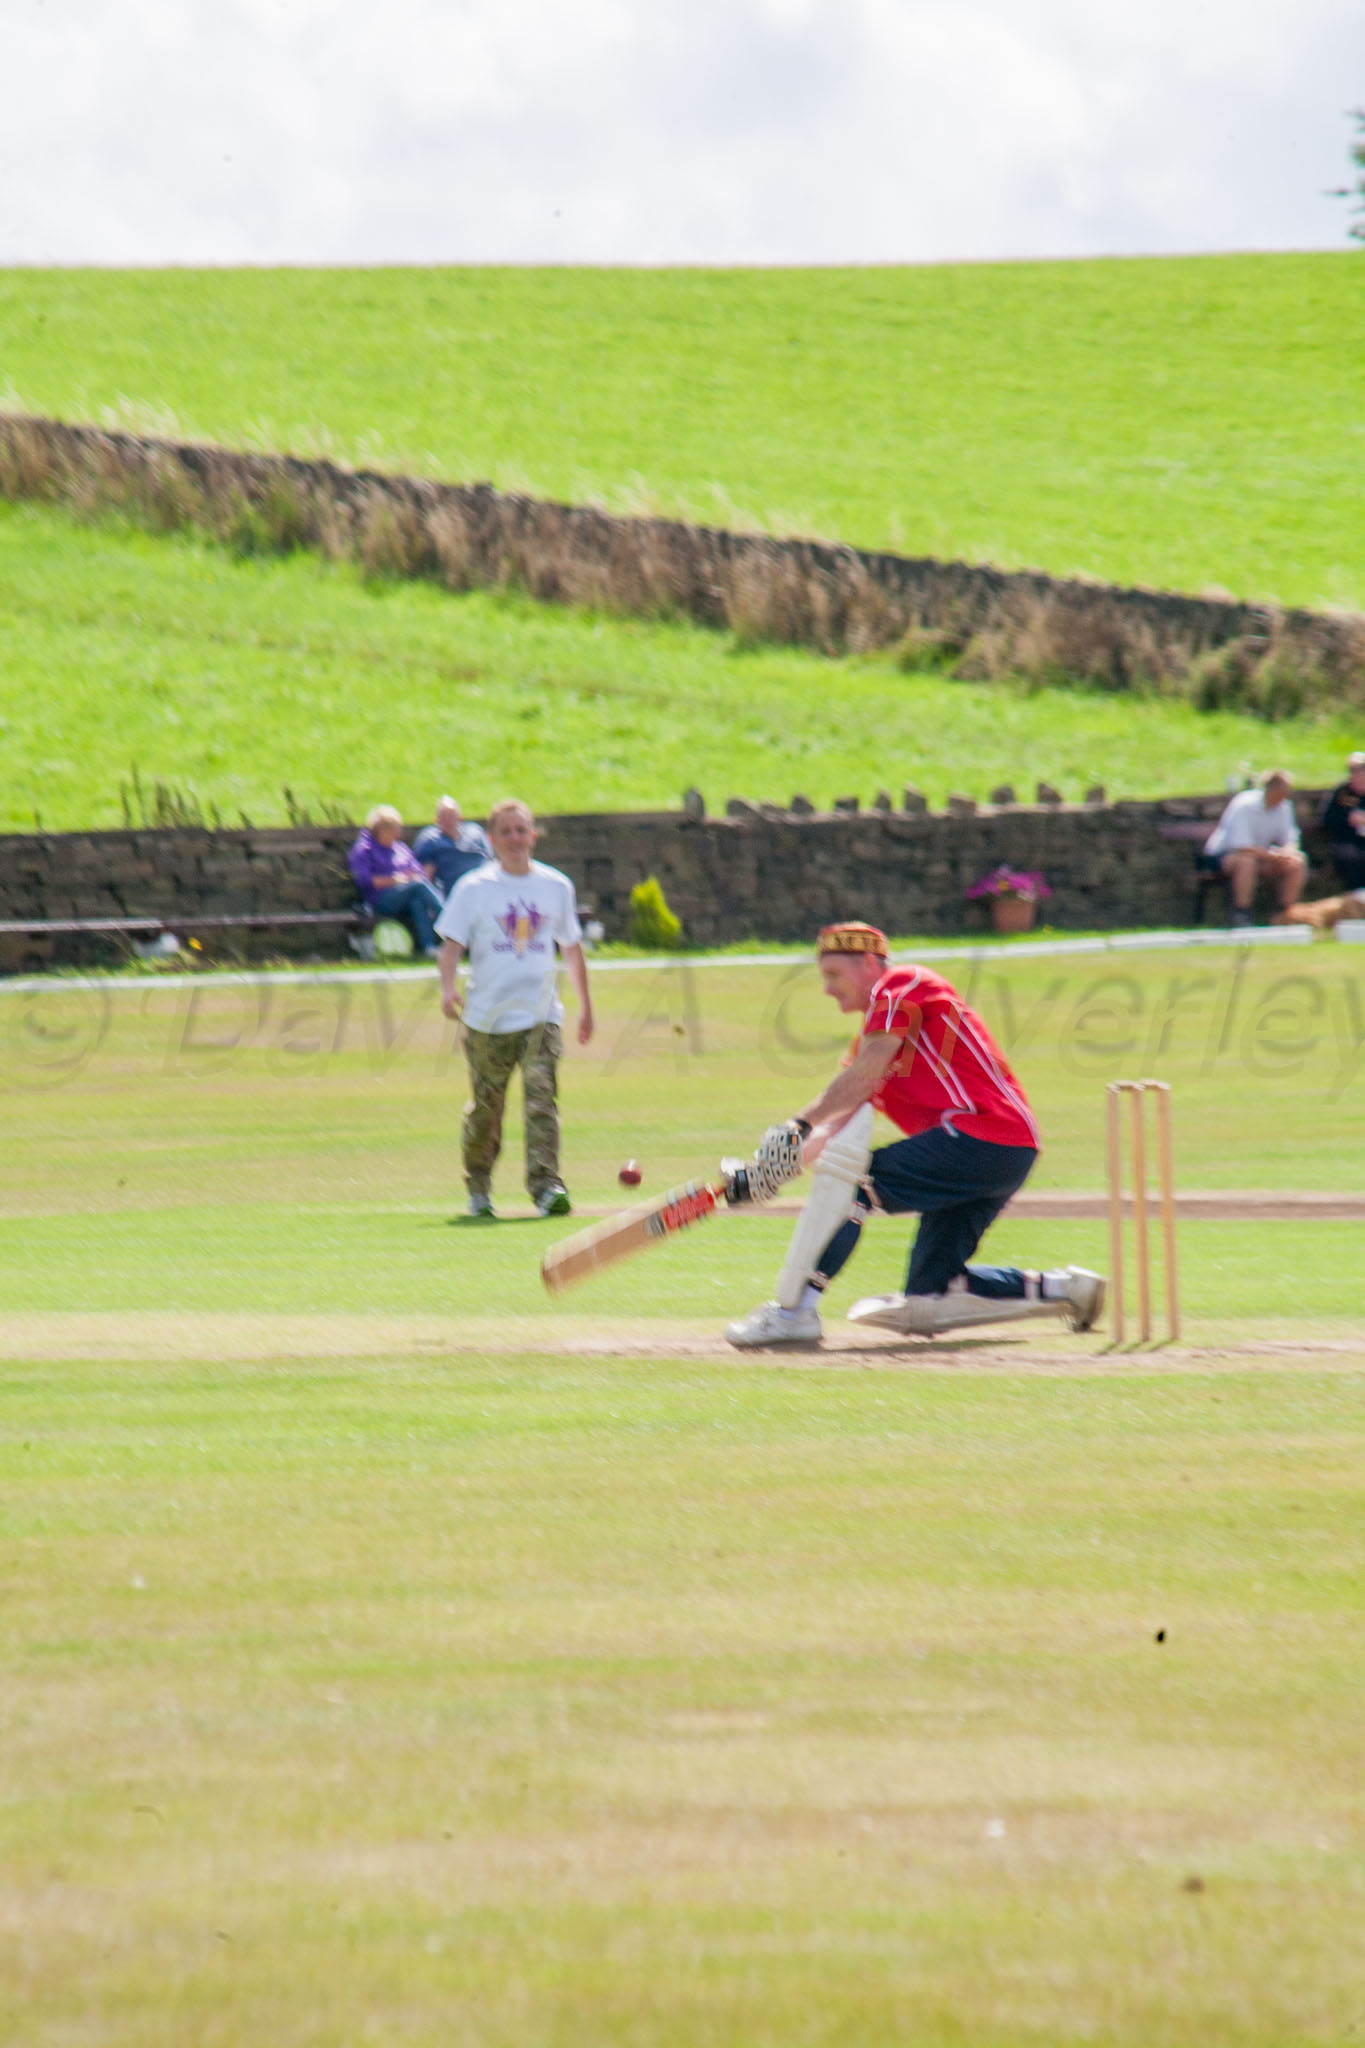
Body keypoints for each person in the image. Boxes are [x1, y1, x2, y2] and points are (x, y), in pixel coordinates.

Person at [723, 922, 1104, 1349]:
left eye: (833, 974)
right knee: (931, 1295)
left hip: (983, 1134)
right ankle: (1067, 1288)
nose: (827, 989)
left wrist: (797, 1124)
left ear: (870, 964)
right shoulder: (870, 1048)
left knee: (854, 1186)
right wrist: (767, 1172)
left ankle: (794, 1313)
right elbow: (836, 1121)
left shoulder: (904, 984)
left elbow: (860, 1079)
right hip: (999, 1151)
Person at [436, 798, 594, 1219]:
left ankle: (546, 1187)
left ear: (533, 836)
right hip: (488, 1018)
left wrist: (586, 1006)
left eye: (521, 830)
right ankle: (479, 1187)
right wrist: (448, 990)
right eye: (505, 831)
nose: (515, 839)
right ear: (491, 839)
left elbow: (572, 948)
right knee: (487, 1110)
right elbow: (450, 947)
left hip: (541, 1014)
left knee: (542, 1099)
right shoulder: (473, 888)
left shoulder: (555, 886)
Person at [1199, 770, 1305, 927]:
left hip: (1261, 856)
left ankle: (1286, 914)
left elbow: (1290, 837)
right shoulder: (1245, 805)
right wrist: (1273, 855)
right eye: (1285, 790)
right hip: (1224, 856)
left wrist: (1288, 851)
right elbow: (1241, 846)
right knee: (1246, 862)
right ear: (1273, 788)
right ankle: (1242, 913)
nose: (1288, 794)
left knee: (1296, 861)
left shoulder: (1284, 807)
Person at [347, 806, 446, 956]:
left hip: (407, 894)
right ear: (382, 831)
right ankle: (449, 917)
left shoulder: (400, 848)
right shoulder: (364, 850)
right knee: (418, 887)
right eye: (395, 831)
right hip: (380, 900)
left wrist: (413, 876)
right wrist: (394, 880)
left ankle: (429, 947)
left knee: (417, 901)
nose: (399, 834)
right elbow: (364, 881)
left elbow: (419, 872)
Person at [414, 795, 493, 899]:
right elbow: (427, 878)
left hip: (483, 888)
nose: (448, 820)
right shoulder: (431, 841)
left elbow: (490, 860)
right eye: (443, 817)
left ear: (460, 817)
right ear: (437, 820)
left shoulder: (475, 832)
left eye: (452, 815)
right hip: (452, 895)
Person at [1319, 752, 1365, 892]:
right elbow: (1327, 819)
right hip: (1345, 840)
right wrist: (1348, 820)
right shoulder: (1341, 793)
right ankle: (1356, 894)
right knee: (1352, 856)